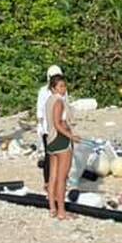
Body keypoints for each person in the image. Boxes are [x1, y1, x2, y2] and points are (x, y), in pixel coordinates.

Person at [45, 74, 79, 220]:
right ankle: (61, 211)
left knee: (52, 176)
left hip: (50, 140)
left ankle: (52, 207)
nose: (64, 89)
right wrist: (72, 136)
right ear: (53, 88)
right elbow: (58, 123)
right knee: (62, 178)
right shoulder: (59, 101)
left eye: (64, 86)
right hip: (61, 140)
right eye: (60, 86)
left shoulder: (49, 100)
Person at [37, 65, 65, 189]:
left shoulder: (63, 90)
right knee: (49, 157)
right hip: (48, 129)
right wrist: (42, 127)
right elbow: (40, 111)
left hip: (59, 127)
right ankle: (48, 182)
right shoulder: (43, 91)